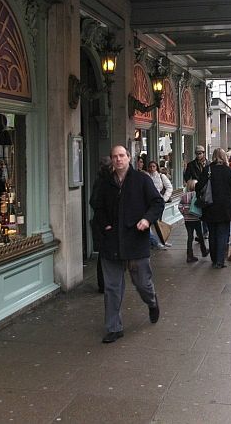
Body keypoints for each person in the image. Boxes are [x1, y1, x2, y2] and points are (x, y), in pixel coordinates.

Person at [91, 145, 164, 344]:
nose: (118, 159)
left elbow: (157, 203)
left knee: (142, 284)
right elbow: (96, 206)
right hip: (111, 242)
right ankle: (113, 328)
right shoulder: (105, 182)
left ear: (129, 158)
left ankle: (152, 301)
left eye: (122, 155)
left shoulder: (142, 180)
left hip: (135, 240)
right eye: (115, 156)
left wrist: (147, 220)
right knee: (112, 288)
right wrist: (105, 225)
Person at [195, 148, 231, 268]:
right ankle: (220, 261)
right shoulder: (228, 170)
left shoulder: (207, 169)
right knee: (222, 234)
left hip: (209, 207)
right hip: (224, 207)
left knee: (212, 234)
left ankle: (214, 259)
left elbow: (199, 187)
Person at [89, 156, 112, 293]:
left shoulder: (103, 180)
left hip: (103, 223)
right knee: (105, 254)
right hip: (103, 224)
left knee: (105, 254)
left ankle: (105, 283)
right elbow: (94, 201)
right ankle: (104, 284)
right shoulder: (103, 181)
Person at [178, 179, 208, 262]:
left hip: (187, 220)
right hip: (196, 219)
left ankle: (189, 255)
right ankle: (204, 251)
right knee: (200, 235)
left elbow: (180, 206)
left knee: (190, 236)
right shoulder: (197, 195)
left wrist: (184, 214)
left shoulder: (184, 196)